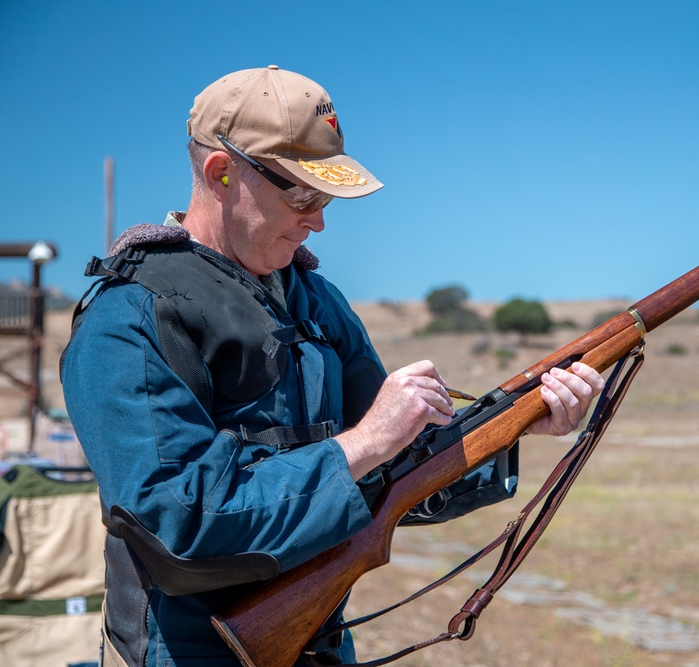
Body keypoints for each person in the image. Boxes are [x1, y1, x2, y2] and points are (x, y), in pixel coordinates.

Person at [60, 65, 604, 667]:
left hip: (319, 645)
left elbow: (403, 474)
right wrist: (368, 440)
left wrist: (521, 421)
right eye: (302, 196)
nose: (318, 220)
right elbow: (177, 522)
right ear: (221, 174)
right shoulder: (131, 314)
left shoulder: (317, 300)